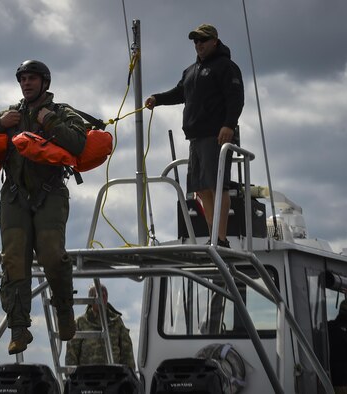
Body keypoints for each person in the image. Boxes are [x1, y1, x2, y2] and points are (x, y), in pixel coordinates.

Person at [0, 60, 86, 354]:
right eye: (23, 78)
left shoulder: (61, 112)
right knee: (13, 262)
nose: (26, 83)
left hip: (50, 194)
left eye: (32, 78)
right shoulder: (10, 115)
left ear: (44, 83)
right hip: (14, 196)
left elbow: (78, 143)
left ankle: (64, 312)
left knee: (51, 254)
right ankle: (19, 329)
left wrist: (49, 121)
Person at [145, 23, 244, 248]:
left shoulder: (226, 67)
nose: (198, 45)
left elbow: (236, 98)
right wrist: (157, 99)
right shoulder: (190, 71)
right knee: (200, 187)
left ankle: (220, 239)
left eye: (203, 40)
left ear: (215, 41)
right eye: (195, 41)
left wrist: (229, 125)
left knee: (218, 185)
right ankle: (213, 237)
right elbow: (180, 93)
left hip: (216, 136)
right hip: (195, 138)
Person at [65, 284, 136, 369]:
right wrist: (72, 376)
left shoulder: (116, 322)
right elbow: (71, 353)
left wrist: (129, 375)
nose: (103, 299)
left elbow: (127, 352)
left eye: (105, 295)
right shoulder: (80, 323)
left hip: (113, 377)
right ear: (91, 299)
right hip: (86, 377)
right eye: (99, 296)